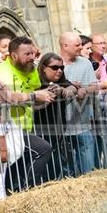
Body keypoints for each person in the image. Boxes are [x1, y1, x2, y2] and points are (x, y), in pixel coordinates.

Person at [0, 36, 55, 191]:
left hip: (26, 126)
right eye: (27, 54)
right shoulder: (3, 70)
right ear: (14, 55)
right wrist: (36, 96)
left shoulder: (32, 69)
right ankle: (27, 191)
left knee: (18, 167)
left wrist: (45, 98)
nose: (32, 57)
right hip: (8, 130)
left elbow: (32, 100)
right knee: (43, 149)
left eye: (33, 53)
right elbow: (8, 97)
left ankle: (18, 192)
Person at [60, 32, 99, 176]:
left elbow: (95, 86)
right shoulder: (55, 64)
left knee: (88, 171)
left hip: (83, 124)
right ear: (65, 46)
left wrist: (84, 89)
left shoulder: (85, 62)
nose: (80, 47)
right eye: (77, 45)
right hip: (62, 127)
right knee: (69, 173)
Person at [35, 52, 78, 181]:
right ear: (43, 68)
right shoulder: (36, 82)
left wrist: (65, 91)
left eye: (61, 67)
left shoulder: (61, 82)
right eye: (54, 67)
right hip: (40, 132)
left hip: (58, 133)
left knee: (58, 166)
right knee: (48, 168)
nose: (59, 70)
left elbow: (73, 87)